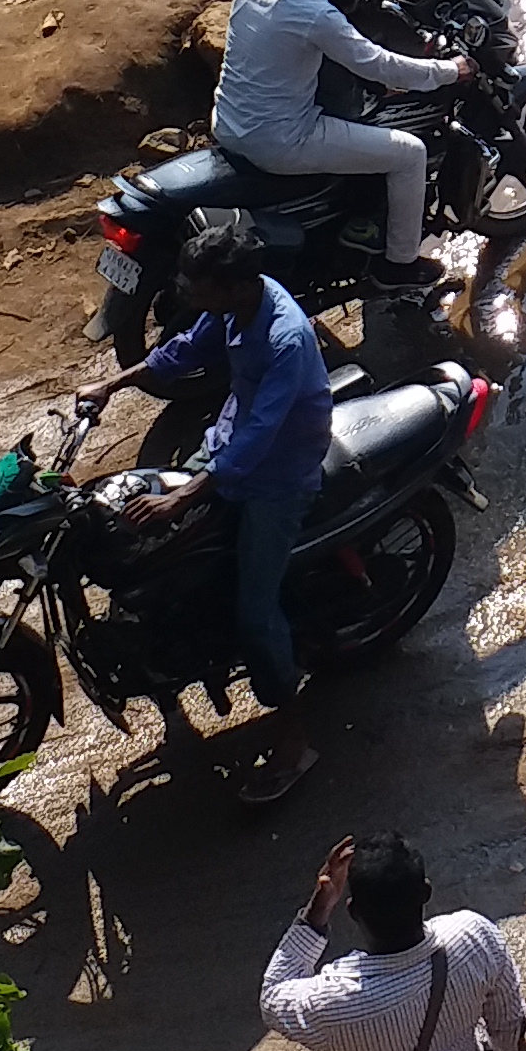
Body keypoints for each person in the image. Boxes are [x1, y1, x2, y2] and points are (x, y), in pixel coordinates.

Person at [87, 213, 331, 803]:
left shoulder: (285, 338)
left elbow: (261, 436)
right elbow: (185, 349)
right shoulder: (231, 309)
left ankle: (296, 742)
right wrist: (113, 385)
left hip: (277, 475)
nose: (189, 296)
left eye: (199, 289)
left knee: (255, 610)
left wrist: (184, 496)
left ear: (236, 285)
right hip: (229, 443)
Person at [215, 0, 469, 279]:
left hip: (227, 122)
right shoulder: (316, 14)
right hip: (281, 141)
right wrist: (447, 71)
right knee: (409, 154)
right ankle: (399, 263)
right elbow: (378, 65)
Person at [265, 834, 526, 1051]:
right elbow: (509, 1035)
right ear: (426, 892)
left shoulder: (332, 1000)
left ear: (353, 911)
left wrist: (321, 904)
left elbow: (273, 994)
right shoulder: (474, 937)